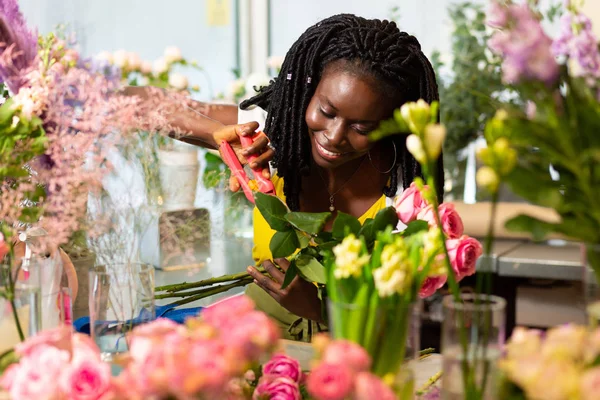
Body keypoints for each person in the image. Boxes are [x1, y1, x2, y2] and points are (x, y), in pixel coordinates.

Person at [129, 14, 442, 341]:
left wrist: (320, 311)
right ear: (310, 90)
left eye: (362, 127)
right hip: (255, 347)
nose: (334, 136)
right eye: (326, 111)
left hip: (348, 361)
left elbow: (395, 330)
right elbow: (134, 101)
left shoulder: (405, 193)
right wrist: (215, 136)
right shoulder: (275, 133)